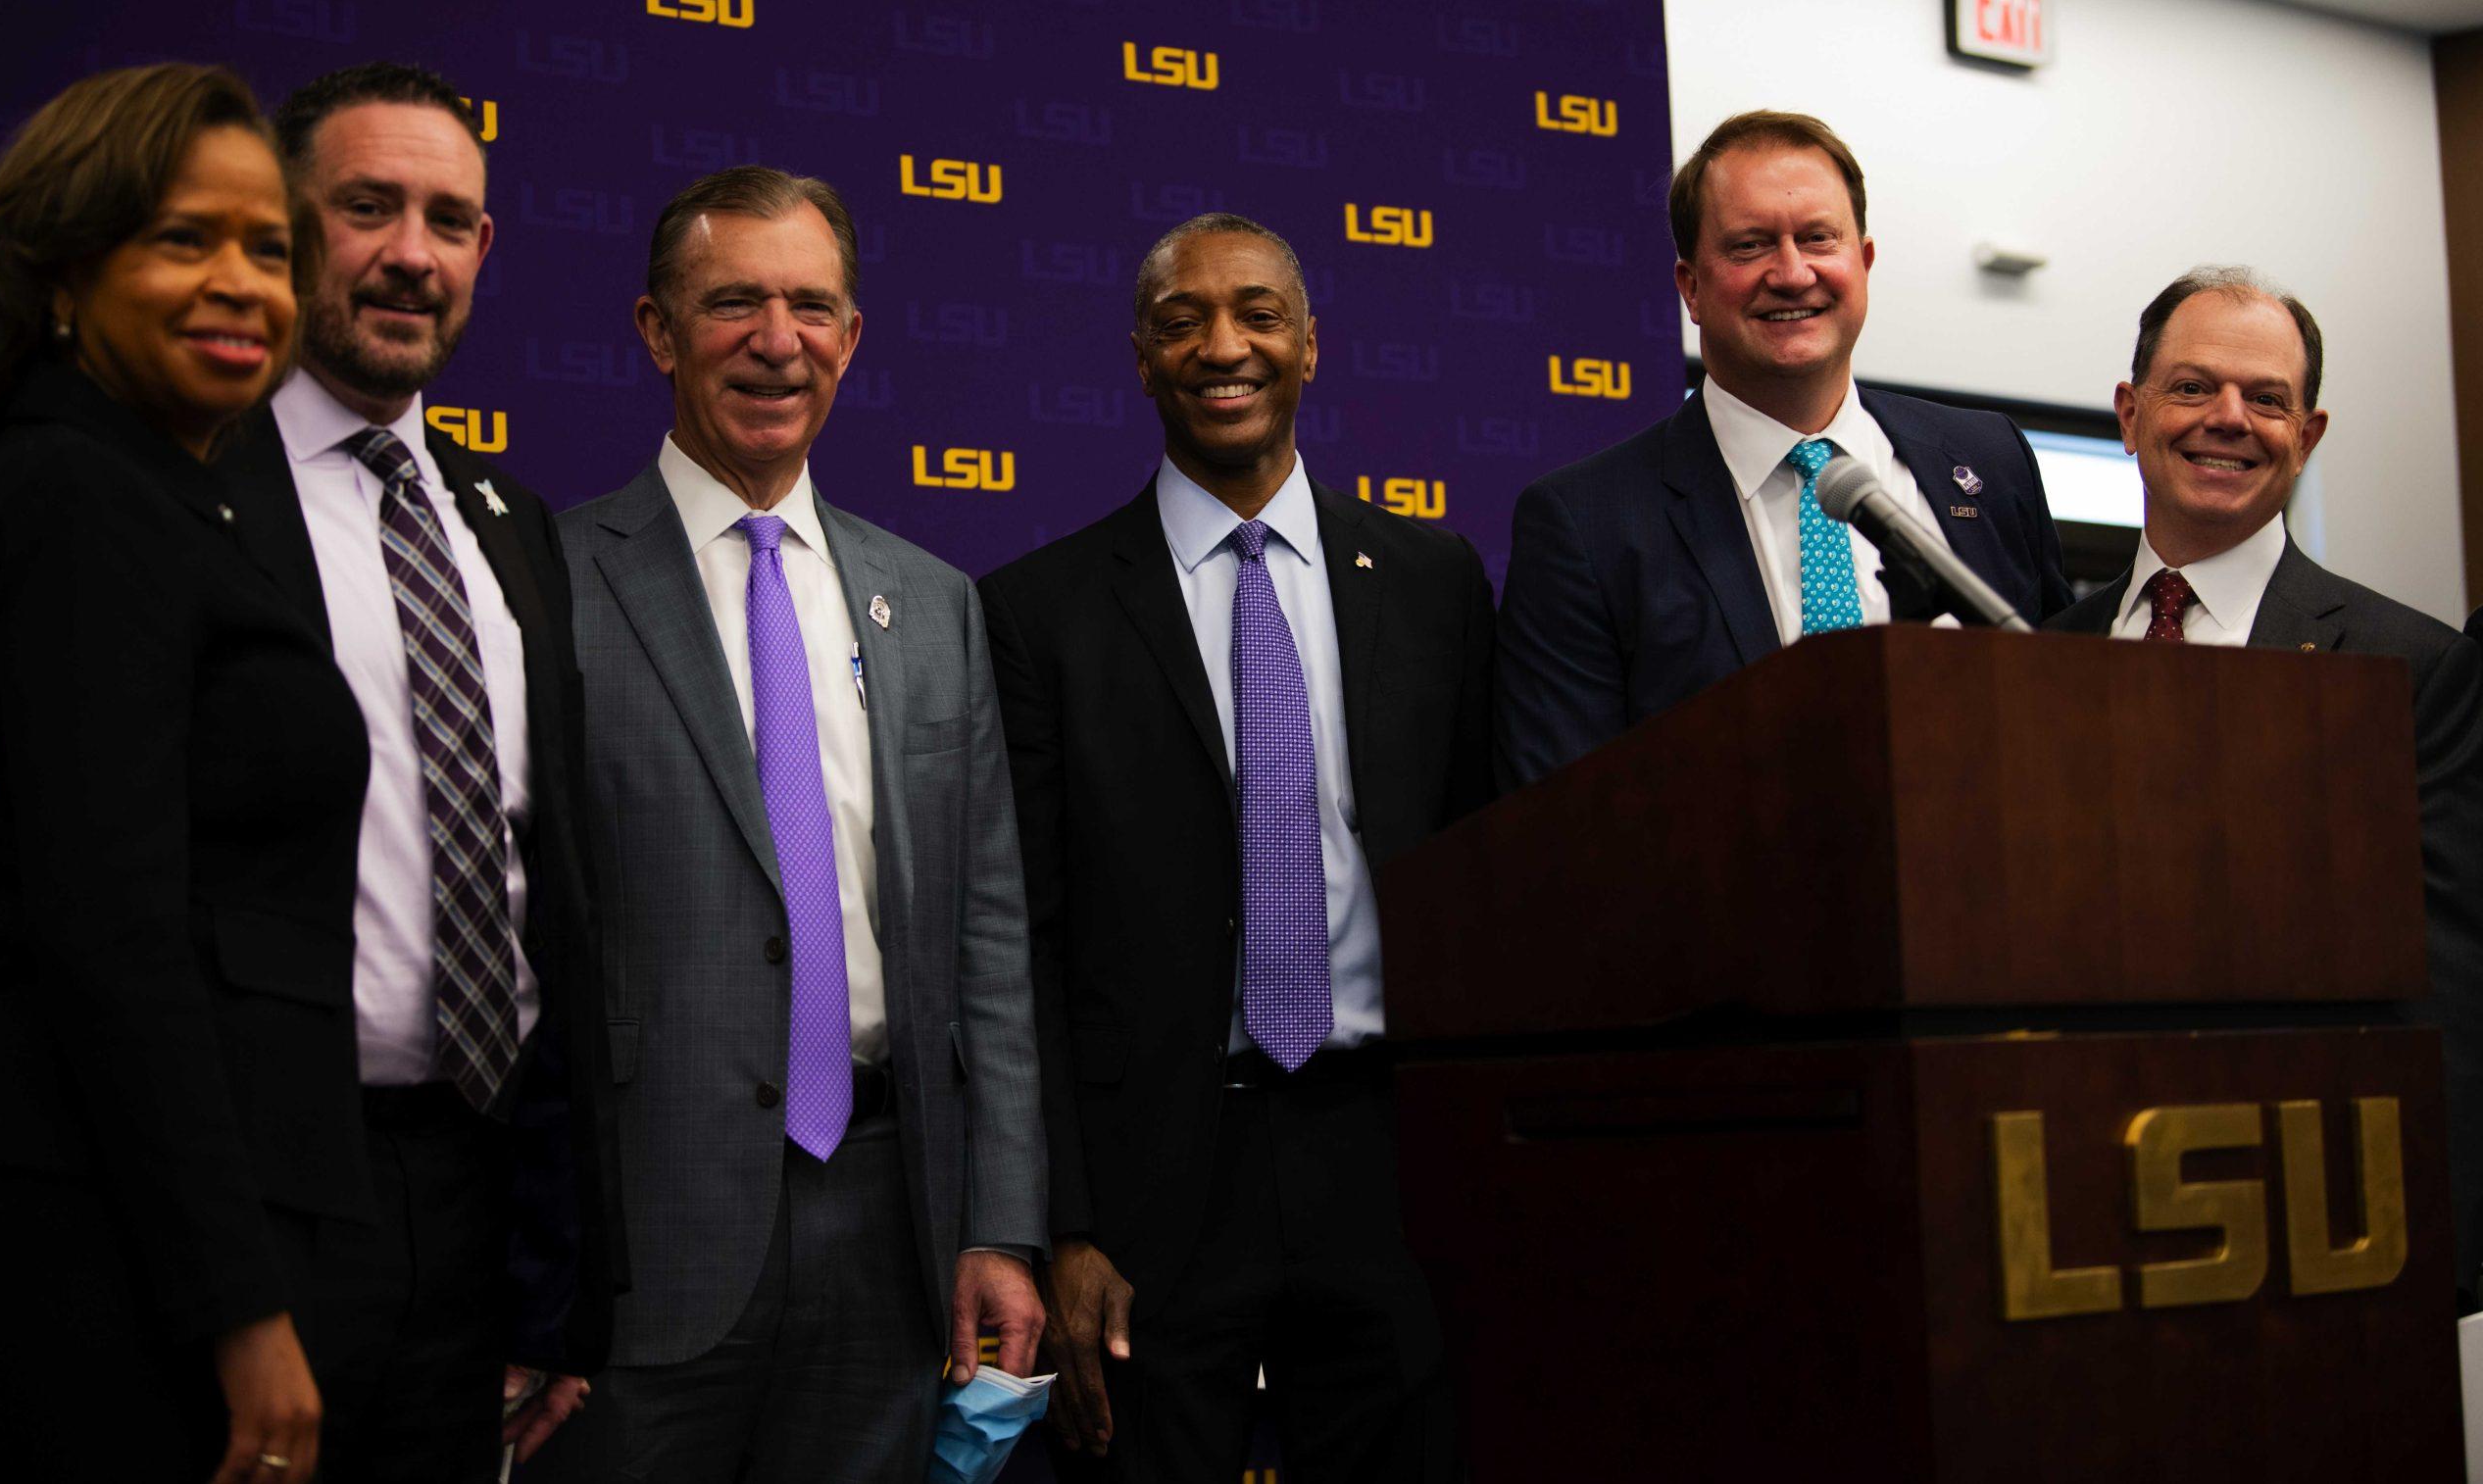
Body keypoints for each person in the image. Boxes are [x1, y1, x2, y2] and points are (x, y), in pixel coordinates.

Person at [538, 166, 1045, 1483]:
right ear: (655, 329)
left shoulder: (934, 604)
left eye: (812, 304)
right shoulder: (546, 582)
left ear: (854, 335)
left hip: (890, 1234)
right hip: (644, 1239)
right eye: (733, 303)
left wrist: (1000, 1222)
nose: (778, 340)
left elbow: (988, 944)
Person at [980, 213, 1492, 1480]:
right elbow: (1022, 947)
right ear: (1140, 358)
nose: (1225, 345)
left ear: (1310, 345)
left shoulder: (1432, 582)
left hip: (1390, 1157)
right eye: (1182, 320)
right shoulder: (1040, 612)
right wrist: (1069, 1223)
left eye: (1259, 313)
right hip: (1158, 1182)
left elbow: (1491, 890)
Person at [215, 62, 621, 1475]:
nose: (410, 253)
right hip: (252, 1196)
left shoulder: (510, 527)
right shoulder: (180, 487)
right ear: (283, 225)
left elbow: (546, 903)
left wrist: (561, 1278)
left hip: (475, 1203)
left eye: (449, 219)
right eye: (367, 208)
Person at [0, 63, 368, 1482]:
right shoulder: (77, 494)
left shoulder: (165, 494)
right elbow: (114, 935)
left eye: (271, 249)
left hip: (202, 1220)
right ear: (67, 268)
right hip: (112, 1251)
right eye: (182, 238)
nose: (241, 284)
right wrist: (240, 1306)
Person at [2047, 265, 2483, 1300]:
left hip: (2316, 1206)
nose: (2228, 421)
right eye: (2193, 387)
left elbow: (2447, 987)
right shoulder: (2038, 654)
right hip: (2071, 1185)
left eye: (2267, 399)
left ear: (2310, 434)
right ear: (2129, 411)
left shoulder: (2408, 667)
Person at [1495, 110, 2072, 787]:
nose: (1793, 273)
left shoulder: (1988, 460)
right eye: (1750, 246)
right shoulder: (1586, 523)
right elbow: (1562, 814)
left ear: (1864, 261)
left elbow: (2067, 716)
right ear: (1691, 288)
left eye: (1818, 238)